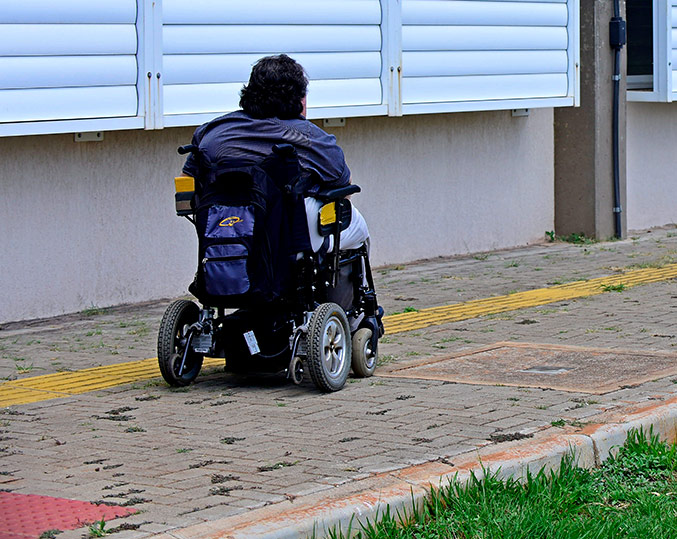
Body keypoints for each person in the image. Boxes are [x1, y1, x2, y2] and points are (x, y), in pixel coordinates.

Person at [181, 54, 370, 252]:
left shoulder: (213, 131)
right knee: (356, 223)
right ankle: (361, 282)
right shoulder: (308, 137)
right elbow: (342, 184)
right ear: (299, 98)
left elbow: (187, 182)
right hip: (289, 245)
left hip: (225, 234)